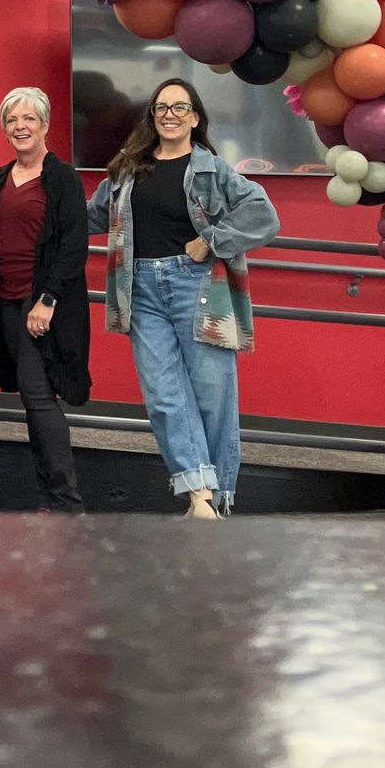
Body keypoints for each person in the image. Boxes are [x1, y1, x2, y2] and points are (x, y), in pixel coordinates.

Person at [86, 78, 277, 519]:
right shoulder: (127, 169)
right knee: (164, 395)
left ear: (194, 118)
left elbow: (264, 216)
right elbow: (93, 216)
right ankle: (199, 496)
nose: (169, 114)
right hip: (139, 291)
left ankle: (216, 497)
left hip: (198, 288)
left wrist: (210, 239)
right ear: (152, 117)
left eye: (179, 107)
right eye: (161, 107)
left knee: (212, 393)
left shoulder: (212, 168)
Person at [0, 87, 88, 515]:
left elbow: (72, 246)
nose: (20, 127)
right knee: (30, 397)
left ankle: (65, 502)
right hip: (5, 300)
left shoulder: (61, 177)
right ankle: (49, 499)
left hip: (40, 303)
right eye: (12, 120)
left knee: (40, 398)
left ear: (45, 125)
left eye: (29, 119)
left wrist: (47, 300)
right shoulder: (2, 177)